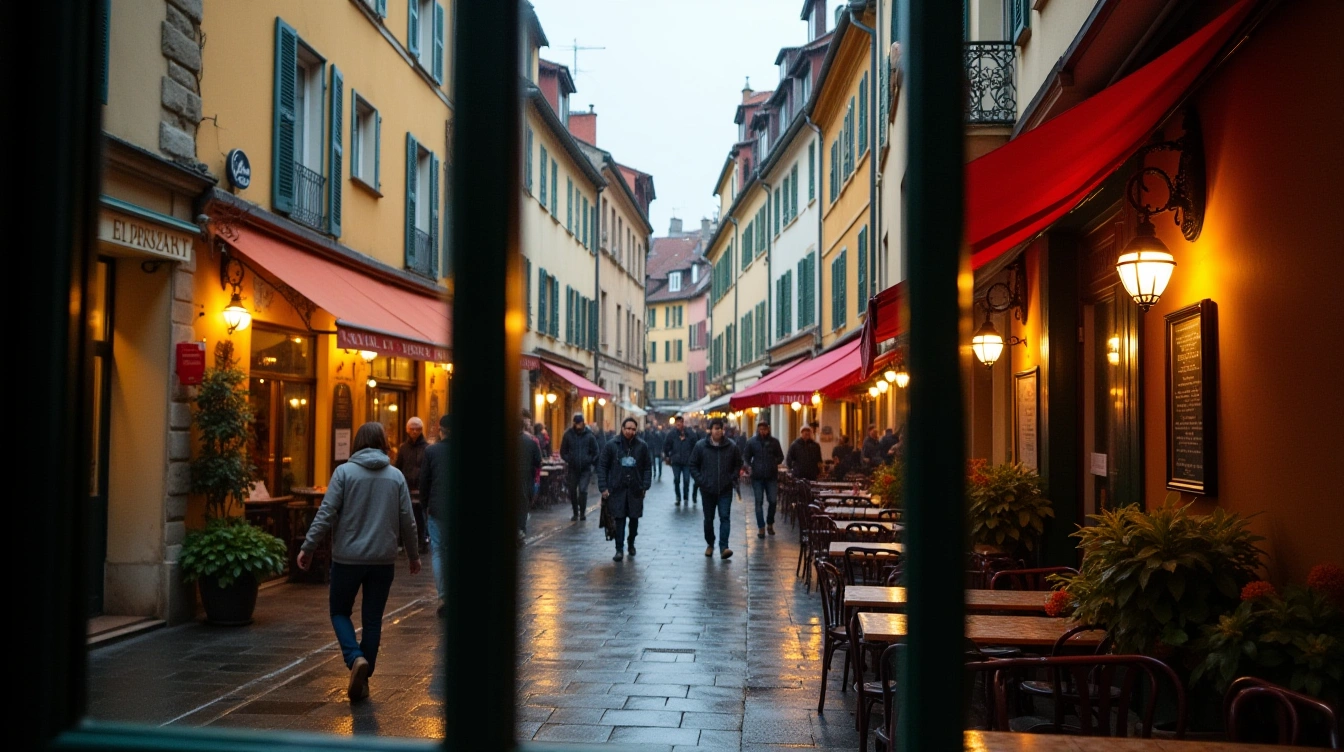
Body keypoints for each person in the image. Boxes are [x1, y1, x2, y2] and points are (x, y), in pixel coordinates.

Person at [298, 422, 420, 702]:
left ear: (357, 443)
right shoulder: (396, 476)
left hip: (347, 559)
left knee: (340, 611)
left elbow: (325, 513)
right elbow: (408, 521)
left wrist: (308, 547)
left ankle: (355, 660)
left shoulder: (343, 473)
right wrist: (413, 556)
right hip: (382, 559)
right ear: (383, 443)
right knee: (373, 619)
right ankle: (365, 672)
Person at [597, 417, 653, 561]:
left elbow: (647, 466)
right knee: (619, 518)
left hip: (635, 489)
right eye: (628, 428)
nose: (630, 431)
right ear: (622, 429)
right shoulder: (612, 445)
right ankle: (619, 549)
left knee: (634, 519)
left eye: (633, 429)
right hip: (617, 488)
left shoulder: (642, 446)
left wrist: (645, 485)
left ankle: (631, 542)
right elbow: (602, 466)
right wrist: (603, 487)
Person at [689, 418, 743, 559]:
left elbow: (739, 463)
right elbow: (693, 465)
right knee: (708, 519)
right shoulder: (701, 446)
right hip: (707, 489)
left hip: (725, 489)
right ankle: (710, 543)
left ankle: (724, 546)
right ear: (710, 430)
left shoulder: (731, 446)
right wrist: (701, 481)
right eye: (715, 428)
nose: (718, 431)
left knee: (725, 517)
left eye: (720, 428)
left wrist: (732, 477)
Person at [418, 414, 451, 616]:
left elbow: (424, 482)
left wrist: (425, 505)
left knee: (438, 551)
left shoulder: (432, 451)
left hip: (437, 509)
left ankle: (444, 595)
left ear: (441, 430)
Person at [393, 417, 430, 553]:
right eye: (412, 429)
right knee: (407, 515)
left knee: (421, 515)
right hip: (406, 486)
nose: (414, 431)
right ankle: (406, 542)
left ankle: (423, 540)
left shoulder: (427, 448)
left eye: (417, 429)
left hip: (421, 487)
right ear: (407, 430)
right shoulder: (403, 448)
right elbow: (398, 466)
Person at [743, 420, 784, 538]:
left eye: (764, 429)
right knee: (758, 502)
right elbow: (746, 456)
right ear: (757, 429)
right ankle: (761, 527)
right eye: (760, 429)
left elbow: (781, 456)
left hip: (771, 476)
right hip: (757, 477)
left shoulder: (774, 442)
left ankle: (770, 523)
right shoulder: (752, 442)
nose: (762, 431)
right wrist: (749, 466)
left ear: (768, 429)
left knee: (773, 501)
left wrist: (773, 462)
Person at [559, 413, 600, 521]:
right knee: (572, 490)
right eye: (576, 423)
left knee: (582, 490)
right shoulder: (568, 435)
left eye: (580, 423)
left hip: (585, 469)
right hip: (573, 468)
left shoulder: (589, 435)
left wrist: (590, 460)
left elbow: (596, 451)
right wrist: (569, 459)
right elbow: (563, 451)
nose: (578, 425)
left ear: (583, 423)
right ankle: (575, 512)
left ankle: (582, 513)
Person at [663, 416, 697, 505]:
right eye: (677, 423)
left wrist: (694, 457)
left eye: (680, 423)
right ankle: (678, 497)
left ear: (683, 423)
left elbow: (695, 445)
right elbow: (666, 445)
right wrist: (667, 456)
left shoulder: (689, 433)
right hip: (676, 461)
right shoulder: (671, 434)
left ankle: (685, 497)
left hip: (687, 461)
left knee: (686, 480)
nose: (678, 424)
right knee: (677, 479)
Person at [518, 416, 542, 540]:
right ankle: (521, 529)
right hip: (526, 476)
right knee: (523, 503)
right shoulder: (531, 442)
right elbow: (538, 461)